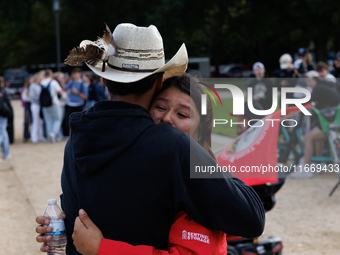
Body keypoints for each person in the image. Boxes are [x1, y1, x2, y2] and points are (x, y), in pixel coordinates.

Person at [35, 23, 265, 254]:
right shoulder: (172, 145)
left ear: (104, 80)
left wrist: (59, 226)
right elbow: (252, 219)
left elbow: (87, 219)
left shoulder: (76, 141)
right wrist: (203, 156)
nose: (168, 119)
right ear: (158, 82)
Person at [289, 70, 340, 179]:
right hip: (332, 119)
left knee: (308, 138)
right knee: (317, 138)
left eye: (310, 81)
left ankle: (306, 170)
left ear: (315, 80)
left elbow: (306, 102)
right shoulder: (324, 86)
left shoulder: (318, 89)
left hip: (330, 121)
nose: (308, 84)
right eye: (307, 81)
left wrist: (291, 107)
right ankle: (319, 165)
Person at [40, 69, 63, 143]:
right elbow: (60, 92)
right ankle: (53, 134)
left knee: (48, 121)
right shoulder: (53, 82)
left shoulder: (41, 82)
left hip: (44, 104)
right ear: (50, 75)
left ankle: (49, 137)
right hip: (54, 103)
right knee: (57, 119)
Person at [64, 68, 88, 136]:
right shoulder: (70, 83)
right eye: (74, 74)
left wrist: (77, 93)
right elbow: (64, 90)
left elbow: (85, 97)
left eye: (76, 74)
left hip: (79, 104)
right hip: (70, 104)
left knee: (79, 121)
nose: (75, 75)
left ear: (80, 74)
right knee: (68, 121)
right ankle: (69, 134)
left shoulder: (83, 84)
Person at [29, 71, 45, 143]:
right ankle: (34, 137)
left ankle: (40, 136)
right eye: (37, 79)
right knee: (35, 121)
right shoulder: (33, 86)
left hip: (40, 105)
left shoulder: (41, 85)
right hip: (35, 104)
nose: (39, 80)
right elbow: (33, 96)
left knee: (40, 121)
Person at [0, 76, 11, 161]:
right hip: (2, 114)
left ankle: (6, 153)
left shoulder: (3, 90)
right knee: (2, 134)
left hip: (2, 114)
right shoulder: (3, 90)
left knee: (4, 133)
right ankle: (6, 153)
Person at [21, 77, 32, 142]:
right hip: (28, 105)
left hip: (31, 104)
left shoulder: (30, 88)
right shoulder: (25, 89)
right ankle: (26, 136)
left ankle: (30, 134)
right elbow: (25, 98)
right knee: (27, 121)